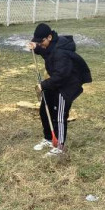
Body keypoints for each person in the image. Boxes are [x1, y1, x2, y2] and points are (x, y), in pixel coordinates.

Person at [27, 23, 91, 156]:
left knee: (60, 116)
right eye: (37, 41)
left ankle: (60, 146)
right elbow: (47, 52)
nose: (40, 44)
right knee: (45, 110)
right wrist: (36, 48)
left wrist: (43, 85)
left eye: (41, 41)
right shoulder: (51, 45)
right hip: (55, 83)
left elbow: (61, 76)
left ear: (49, 37)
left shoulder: (61, 52)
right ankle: (49, 139)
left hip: (66, 86)